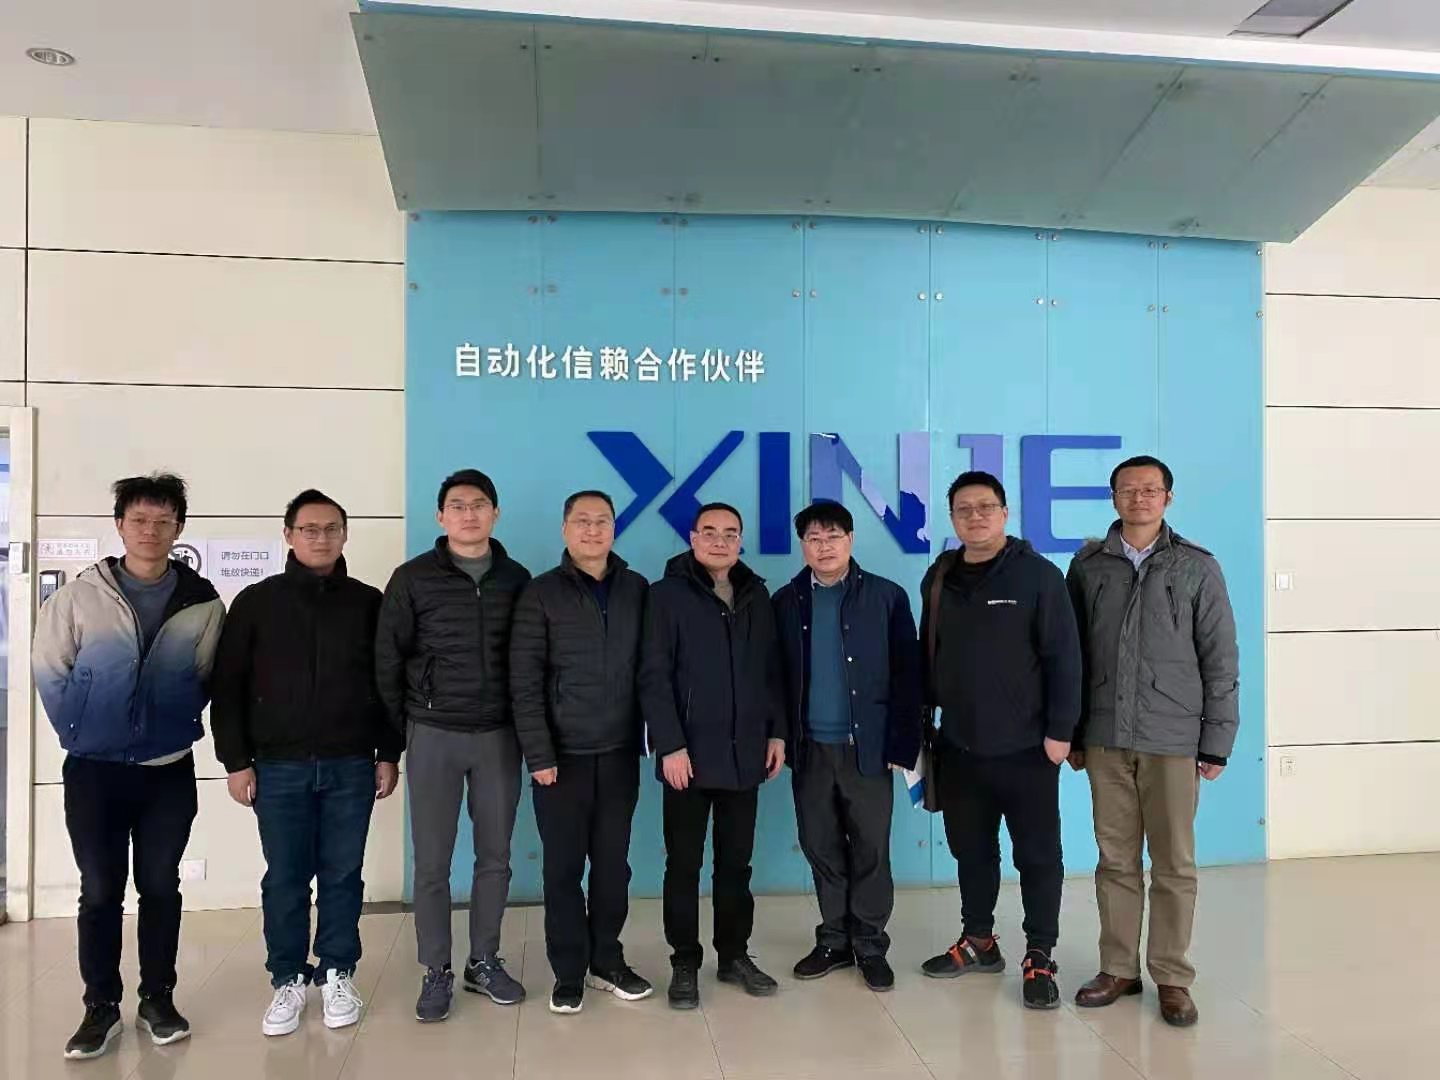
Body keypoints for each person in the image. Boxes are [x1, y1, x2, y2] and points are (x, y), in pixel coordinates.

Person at [33, 473, 225, 1060]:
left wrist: (169, 722)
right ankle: (100, 1007)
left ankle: (158, 999)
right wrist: (82, 730)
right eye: (139, 519)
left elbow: (206, 674)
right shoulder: (79, 596)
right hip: (94, 770)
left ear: (179, 529)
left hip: (167, 769)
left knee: (161, 886)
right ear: (119, 525)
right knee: (99, 890)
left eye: (163, 521)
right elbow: (50, 669)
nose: (150, 530)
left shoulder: (202, 602)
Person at [210, 489, 402, 1038]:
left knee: (342, 875)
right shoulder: (256, 602)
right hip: (278, 767)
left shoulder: (368, 603)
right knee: (286, 879)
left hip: (351, 765)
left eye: (331, 529)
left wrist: (388, 753)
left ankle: (338, 971)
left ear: (345, 535)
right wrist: (236, 761)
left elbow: (389, 685)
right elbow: (228, 687)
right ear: (288, 535)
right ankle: (288, 978)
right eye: (309, 529)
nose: (321, 538)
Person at [1065, 455, 1239, 1028]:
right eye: (1127, 489)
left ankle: (1171, 976)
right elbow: (1070, 656)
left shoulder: (1196, 567)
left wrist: (1216, 740)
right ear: (1113, 497)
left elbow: (1220, 658)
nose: (1138, 498)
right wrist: (1073, 733)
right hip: (1105, 735)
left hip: (1173, 737)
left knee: (1174, 863)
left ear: (1168, 497)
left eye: (1149, 489)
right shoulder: (1088, 566)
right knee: (1115, 859)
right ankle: (1118, 968)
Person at [918, 471, 1081, 1011]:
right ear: (952, 518)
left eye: (985, 507)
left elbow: (1065, 658)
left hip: (1028, 749)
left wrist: (1061, 733)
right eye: (963, 509)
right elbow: (927, 654)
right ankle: (979, 941)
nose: (975, 516)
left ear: (1005, 513)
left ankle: (1040, 954)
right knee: (971, 851)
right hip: (959, 747)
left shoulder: (1038, 576)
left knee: (1037, 855)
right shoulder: (940, 577)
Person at [376, 469, 531, 1022]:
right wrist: (393, 743)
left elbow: (531, 661)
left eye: (480, 504)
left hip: (498, 736)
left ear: (495, 513)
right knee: (433, 861)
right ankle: (435, 968)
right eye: (458, 505)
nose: (469, 514)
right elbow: (387, 661)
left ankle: (483, 960)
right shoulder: (412, 578)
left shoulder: (517, 579)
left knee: (495, 856)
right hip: (433, 732)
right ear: (440, 516)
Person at [510, 490, 652, 1015]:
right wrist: (539, 754)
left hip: (619, 754)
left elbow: (652, 670)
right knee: (564, 870)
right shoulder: (541, 593)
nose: (593, 530)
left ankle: (607, 961)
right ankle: (568, 971)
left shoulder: (637, 589)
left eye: (603, 521)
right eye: (582, 521)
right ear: (565, 529)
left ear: (614, 528)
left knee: (613, 867)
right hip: (561, 759)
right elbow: (524, 681)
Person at [640, 502, 787, 1010]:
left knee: (735, 865)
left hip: (746, 755)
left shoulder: (756, 595)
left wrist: (776, 734)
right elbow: (653, 676)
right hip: (687, 758)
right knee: (683, 865)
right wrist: (670, 745)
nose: (720, 541)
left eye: (730, 533)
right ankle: (684, 960)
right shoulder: (665, 596)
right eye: (710, 532)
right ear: (693, 537)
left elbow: (772, 672)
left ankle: (733, 955)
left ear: (740, 541)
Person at [771, 500, 921, 993]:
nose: (824, 546)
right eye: (814, 538)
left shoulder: (887, 596)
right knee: (822, 847)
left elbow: (909, 675)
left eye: (833, 536)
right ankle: (834, 940)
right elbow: (773, 678)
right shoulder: (786, 601)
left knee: (871, 849)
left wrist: (904, 742)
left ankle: (870, 945)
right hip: (810, 749)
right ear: (803, 546)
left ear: (851, 540)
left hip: (868, 749)